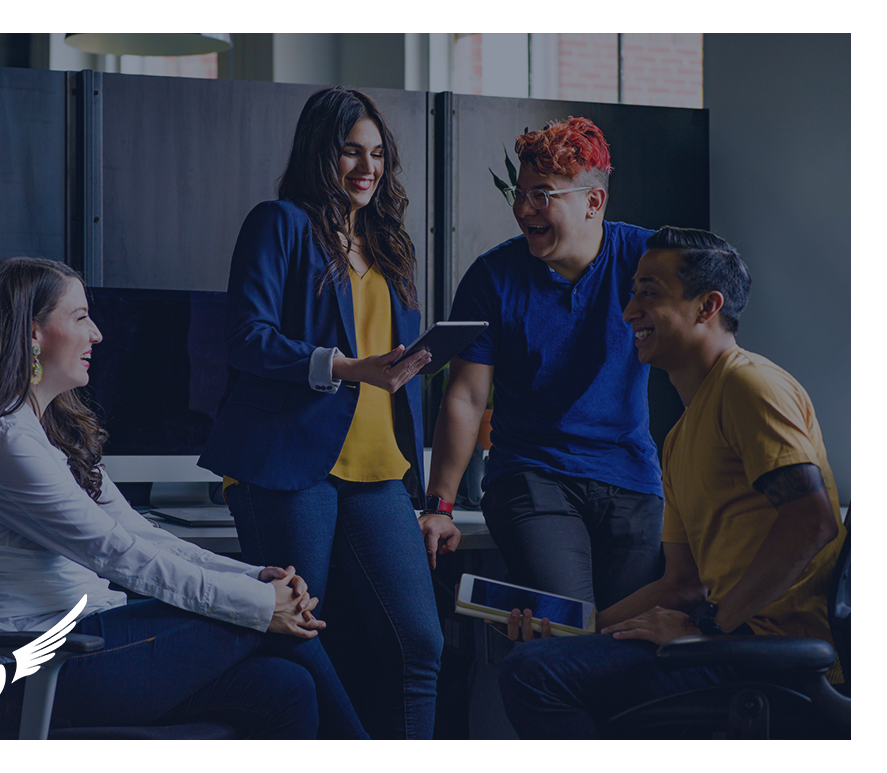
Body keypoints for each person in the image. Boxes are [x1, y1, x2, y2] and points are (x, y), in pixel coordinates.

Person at [0, 256, 366, 739]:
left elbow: (139, 533)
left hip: (92, 639)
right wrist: (264, 603)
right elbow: (114, 552)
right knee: (260, 619)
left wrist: (253, 577)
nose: (96, 334)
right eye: (80, 318)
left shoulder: (48, 431)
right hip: (38, 666)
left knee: (286, 688)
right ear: (31, 333)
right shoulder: (6, 441)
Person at [497, 226, 846, 738]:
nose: (629, 311)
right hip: (729, 639)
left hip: (770, 658)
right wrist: (576, 631)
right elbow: (682, 583)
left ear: (707, 306)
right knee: (542, 658)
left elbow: (811, 521)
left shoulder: (750, 385)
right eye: (633, 291)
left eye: (649, 293)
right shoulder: (680, 436)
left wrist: (709, 626)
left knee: (534, 676)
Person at [198, 87, 443, 739]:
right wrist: (343, 366)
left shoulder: (388, 244)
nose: (367, 168)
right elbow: (245, 336)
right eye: (350, 152)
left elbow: (385, 362)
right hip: (289, 465)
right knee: (297, 635)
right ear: (320, 153)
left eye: (378, 155)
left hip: (378, 468)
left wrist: (412, 363)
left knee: (421, 642)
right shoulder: (279, 223)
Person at [422, 117, 663, 612]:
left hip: (631, 476)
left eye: (542, 194)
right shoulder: (493, 278)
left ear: (593, 202)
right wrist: (439, 507)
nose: (522, 209)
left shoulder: (646, 258)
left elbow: (710, 323)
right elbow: (466, 397)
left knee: (628, 642)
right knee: (569, 627)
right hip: (532, 476)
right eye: (521, 193)